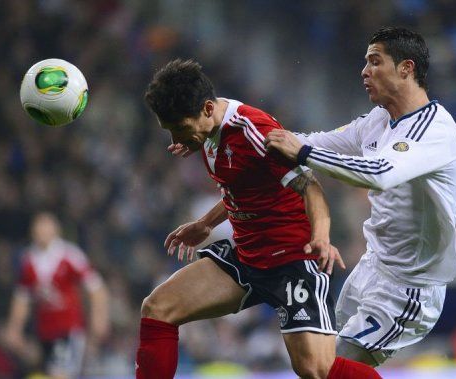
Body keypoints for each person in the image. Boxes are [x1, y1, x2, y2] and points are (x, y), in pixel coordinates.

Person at [137, 59, 382, 379]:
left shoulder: (254, 131)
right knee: (158, 308)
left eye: (179, 128)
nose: (175, 138)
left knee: (315, 368)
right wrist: (207, 223)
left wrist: (320, 238)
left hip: (292, 258)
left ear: (207, 108)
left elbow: (311, 188)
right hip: (249, 257)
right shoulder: (206, 131)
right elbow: (245, 183)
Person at [264, 26, 456, 367]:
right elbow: (317, 141)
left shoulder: (434, 130)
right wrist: (240, 133)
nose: (364, 71)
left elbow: (378, 173)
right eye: (365, 62)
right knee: (319, 364)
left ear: (406, 68)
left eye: (375, 61)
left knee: (332, 367)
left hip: (410, 287)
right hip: (370, 268)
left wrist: (300, 153)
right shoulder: (378, 120)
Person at [5, 212, 110, 379]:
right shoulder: (29, 259)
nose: (42, 232)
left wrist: (99, 318)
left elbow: (96, 288)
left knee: (60, 374)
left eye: (46, 227)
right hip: (43, 330)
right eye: (38, 227)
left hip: (68, 328)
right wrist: (14, 327)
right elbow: (22, 297)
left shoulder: (70, 254)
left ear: (56, 230)